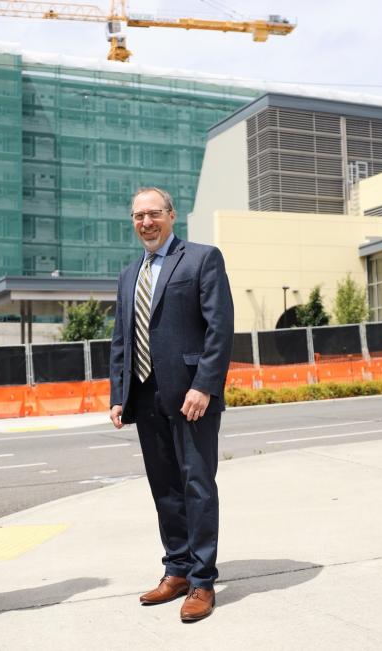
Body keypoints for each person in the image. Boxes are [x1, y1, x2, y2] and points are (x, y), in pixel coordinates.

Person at [109, 187, 233, 623]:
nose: (146, 222)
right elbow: (122, 339)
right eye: (138, 216)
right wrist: (118, 395)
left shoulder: (201, 258)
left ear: (171, 215)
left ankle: (202, 581)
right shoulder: (128, 275)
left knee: (197, 484)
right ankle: (176, 568)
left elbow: (220, 328)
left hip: (192, 396)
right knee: (164, 488)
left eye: (153, 214)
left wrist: (204, 386)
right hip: (144, 398)